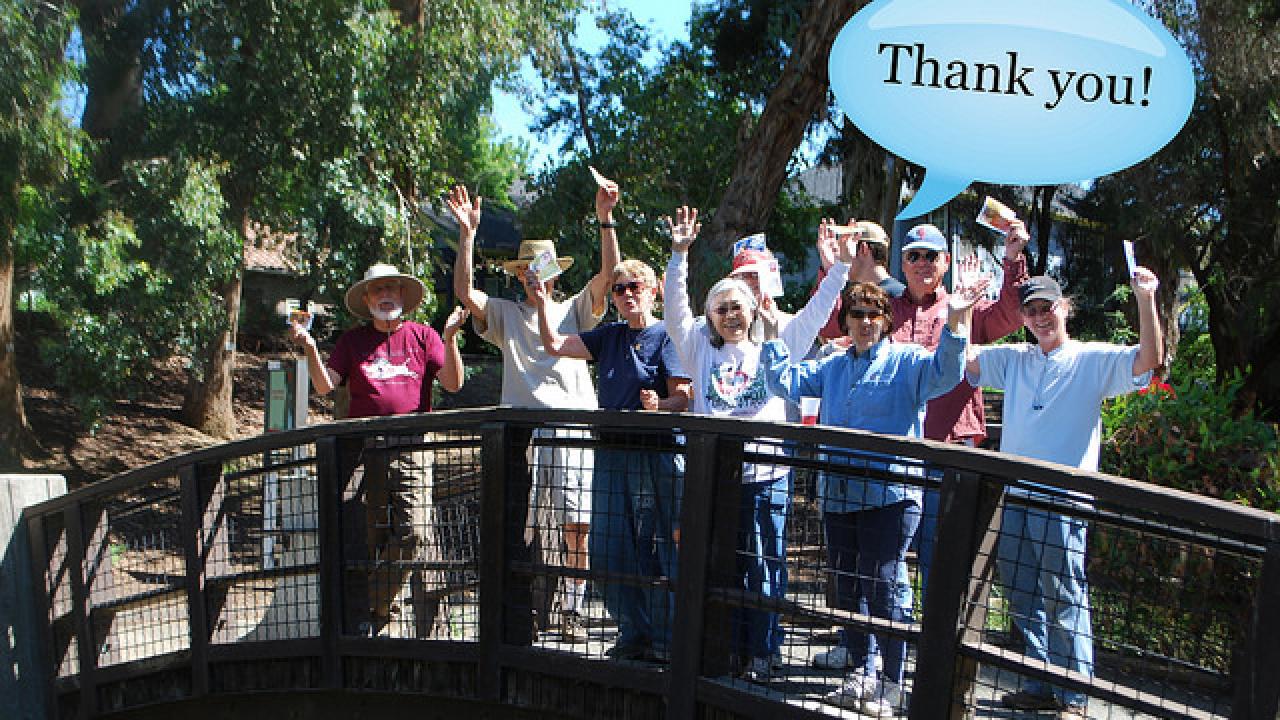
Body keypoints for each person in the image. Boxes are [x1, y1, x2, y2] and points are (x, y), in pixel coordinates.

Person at [762, 276, 984, 716]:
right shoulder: (834, 367)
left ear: (886, 320)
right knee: (847, 589)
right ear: (846, 320)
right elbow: (784, 382)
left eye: (873, 315)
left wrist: (958, 319)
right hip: (839, 496)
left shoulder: (907, 361)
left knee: (882, 584)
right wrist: (772, 335)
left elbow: (946, 373)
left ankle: (892, 682)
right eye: (857, 315)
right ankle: (863, 668)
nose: (865, 322)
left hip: (891, 496)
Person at [662, 206, 851, 681]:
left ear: (752, 311)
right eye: (721, 307)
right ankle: (724, 649)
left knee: (765, 564)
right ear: (711, 315)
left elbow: (815, 316)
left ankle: (765, 651)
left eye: (737, 307)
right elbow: (673, 308)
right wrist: (679, 254)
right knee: (719, 564)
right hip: (715, 479)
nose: (729, 315)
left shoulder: (776, 344)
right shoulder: (698, 347)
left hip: (767, 476)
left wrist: (839, 268)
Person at [966, 269, 1163, 720]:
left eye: (1047, 308)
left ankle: (1073, 695)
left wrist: (1146, 299)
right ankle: (1039, 681)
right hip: (1017, 492)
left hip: (1064, 497)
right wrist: (963, 308)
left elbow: (1147, 360)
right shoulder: (1016, 358)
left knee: (1064, 592)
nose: (1040, 317)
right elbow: (968, 363)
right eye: (1031, 310)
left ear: (1064, 308)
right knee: (1020, 589)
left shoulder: (1091, 359)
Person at [449, 182, 618, 644]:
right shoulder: (504, 313)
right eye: (525, 268)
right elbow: (465, 292)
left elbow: (610, 275)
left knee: (576, 524)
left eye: (539, 267)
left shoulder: (574, 311)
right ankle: (521, 615)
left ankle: (573, 609)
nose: (532, 275)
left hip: (573, 428)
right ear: (518, 273)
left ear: (554, 272)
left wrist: (606, 218)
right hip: (521, 434)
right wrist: (467, 233)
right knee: (524, 524)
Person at [289, 262, 469, 637]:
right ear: (367, 299)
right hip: (362, 449)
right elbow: (326, 386)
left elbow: (452, 384)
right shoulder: (352, 341)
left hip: (413, 445)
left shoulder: (423, 336)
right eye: (377, 290)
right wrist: (309, 348)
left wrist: (450, 338)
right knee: (373, 537)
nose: (385, 295)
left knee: (414, 532)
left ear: (403, 295)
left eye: (392, 288)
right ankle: (385, 622)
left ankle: (374, 603)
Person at [531, 257, 691, 661]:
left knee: (655, 548)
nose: (627, 295)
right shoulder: (609, 336)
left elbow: (684, 397)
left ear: (652, 291)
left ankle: (667, 639)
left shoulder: (667, 336)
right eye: (619, 289)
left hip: (655, 455)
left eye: (635, 286)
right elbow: (554, 345)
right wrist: (540, 302)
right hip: (610, 453)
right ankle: (632, 632)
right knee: (606, 549)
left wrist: (661, 406)